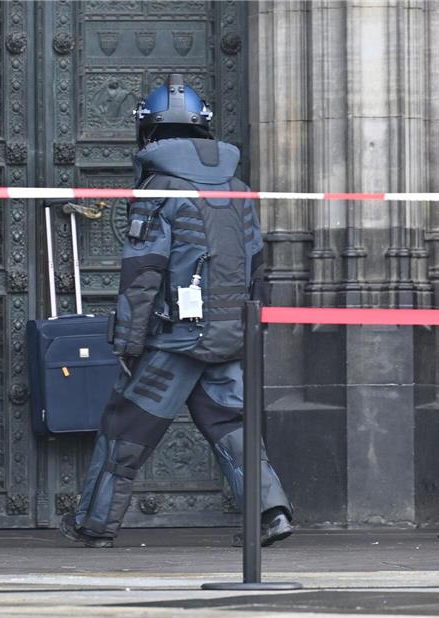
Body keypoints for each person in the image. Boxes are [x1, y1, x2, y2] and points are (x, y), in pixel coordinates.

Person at [60, 74, 294, 549]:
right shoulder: (238, 186)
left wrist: (127, 341)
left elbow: (143, 272)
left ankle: (95, 525)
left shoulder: (157, 187)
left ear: (148, 130)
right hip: (227, 334)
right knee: (232, 426)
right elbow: (255, 264)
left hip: (172, 341)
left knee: (125, 429)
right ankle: (272, 513)